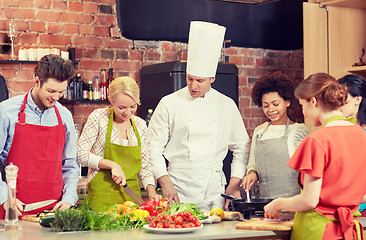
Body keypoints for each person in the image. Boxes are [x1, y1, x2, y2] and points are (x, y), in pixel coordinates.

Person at [148, 21, 249, 211]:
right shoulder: (169, 103)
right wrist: (165, 182)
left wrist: (234, 182)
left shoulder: (226, 105)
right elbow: (152, 148)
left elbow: (241, 147)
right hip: (177, 189)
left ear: (212, 78)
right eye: (190, 79)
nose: (193, 86)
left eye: (200, 81)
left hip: (214, 192)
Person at [264, 73, 366, 240]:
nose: (304, 113)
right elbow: (361, 194)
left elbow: (309, 200)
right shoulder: (361, 134)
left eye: (302, 105)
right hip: (350, 231)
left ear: (313, 101)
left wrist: (278, 203)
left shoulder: (317, 140)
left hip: (317, 231)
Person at [0, 55, 79, 218]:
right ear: (37, 81)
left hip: (53, 211)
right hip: (14, 207)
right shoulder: (6, 111)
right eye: (51, 91)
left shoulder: (64, 116)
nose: (56, 98)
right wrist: (5, 197)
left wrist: (69, 199)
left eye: (61, 92)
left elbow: (70, 164)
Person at [77, 76, 159, 212]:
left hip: (131, 198)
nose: (128, 112)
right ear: (111, 101)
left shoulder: (140, 125)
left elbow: (145, 166)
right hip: (102, 196)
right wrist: (112, 165)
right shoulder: (98, 118)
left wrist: (151, 193)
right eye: (122, 107)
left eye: (133, 107)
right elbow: (80, 155)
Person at [242, 71, 309, 199]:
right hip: (265, 204)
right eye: (265, 105)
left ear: (287, 102)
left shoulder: (299, 131)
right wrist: (251, 174)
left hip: (293, 203)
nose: (270, 110)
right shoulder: (259, 132)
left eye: (275, 104)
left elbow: (309, 172)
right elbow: (253, 164)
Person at [338, 74, 366, 215]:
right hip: (345, 206)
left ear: (357, 100)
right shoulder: (341, 127)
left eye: (343, 100)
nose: (338, 105)